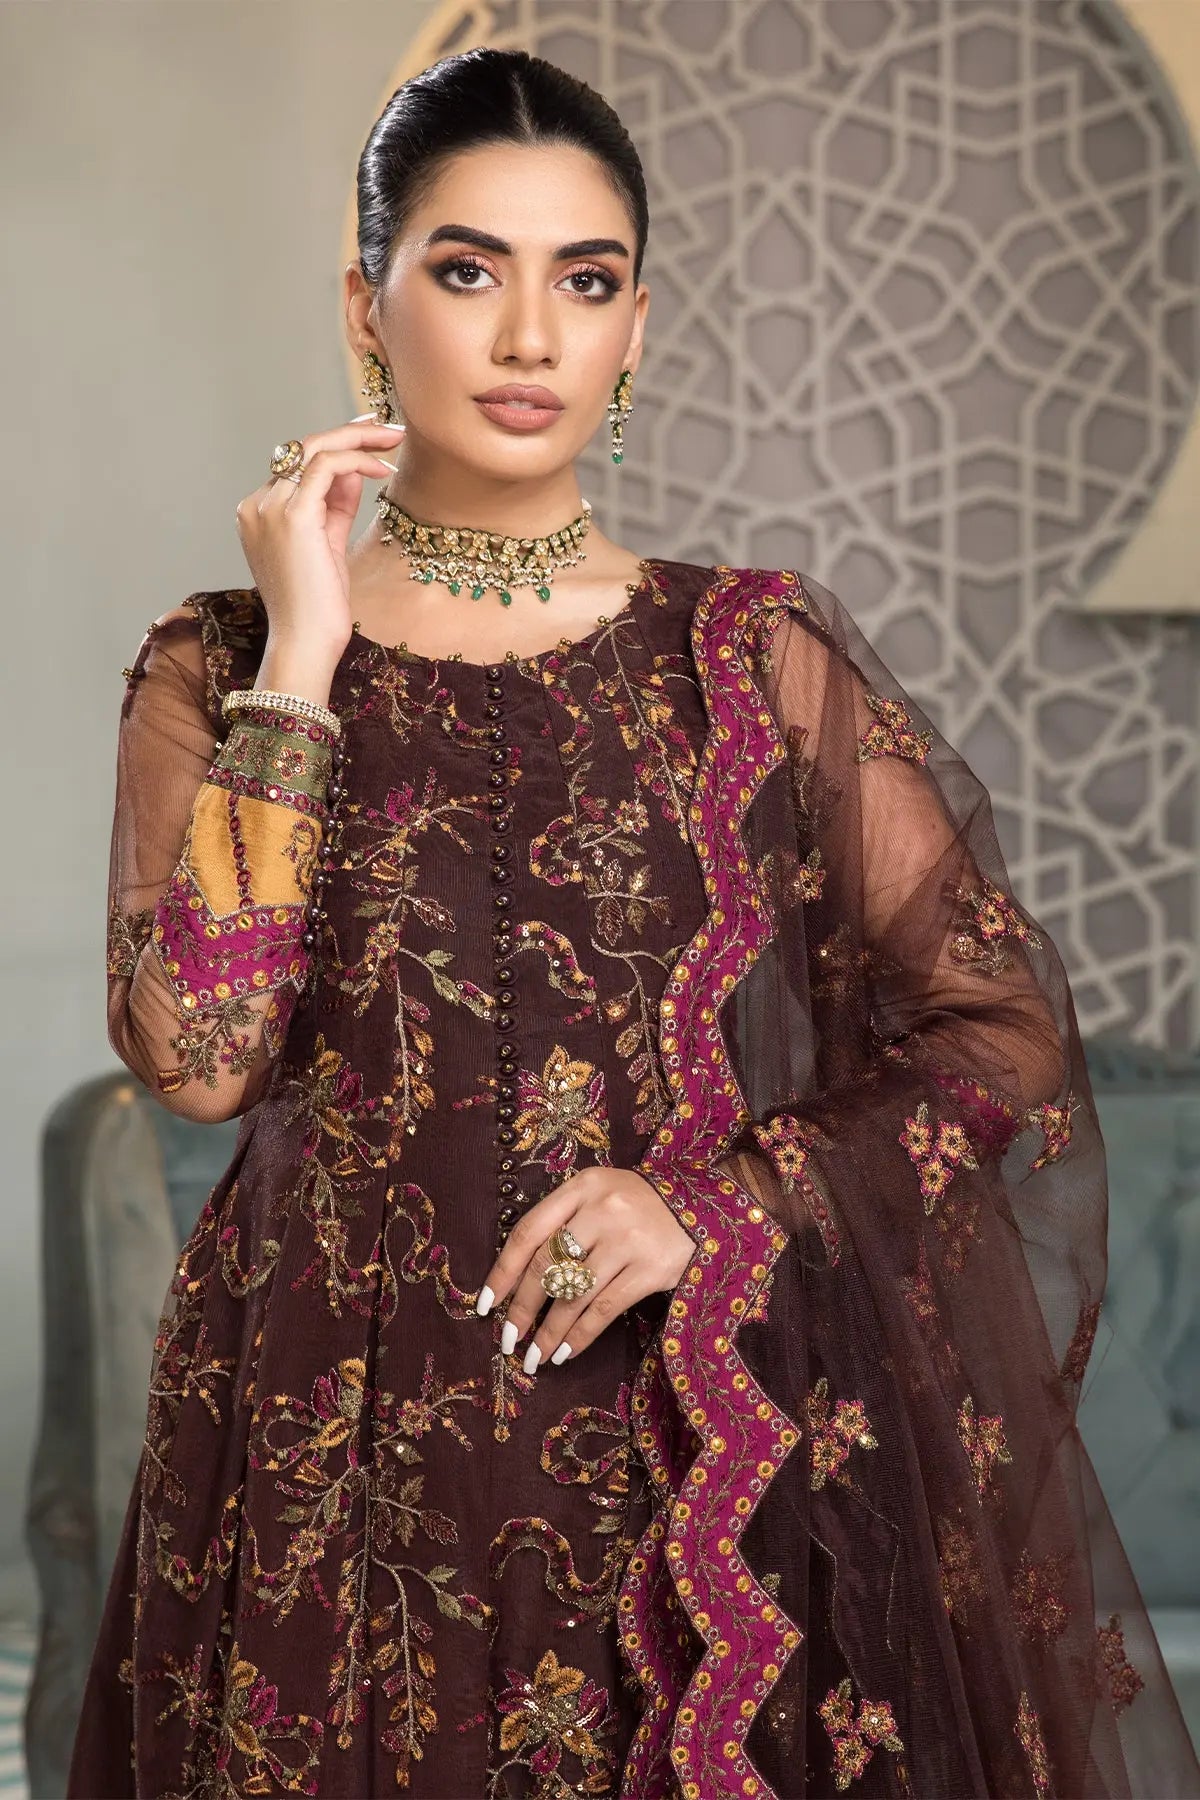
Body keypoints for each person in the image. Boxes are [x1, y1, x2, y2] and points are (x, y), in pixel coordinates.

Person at [67, 44, 1200, 1800]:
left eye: (584, 281)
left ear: (638, 329)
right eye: (468, 270)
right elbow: (202, 1060)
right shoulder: (220, 659)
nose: (531, 336)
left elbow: (1000, 1034)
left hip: (670, 1437)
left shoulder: (745, 660)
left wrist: (716, 1207)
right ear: (365, 309)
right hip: (317, 1451)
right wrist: (303, 651)